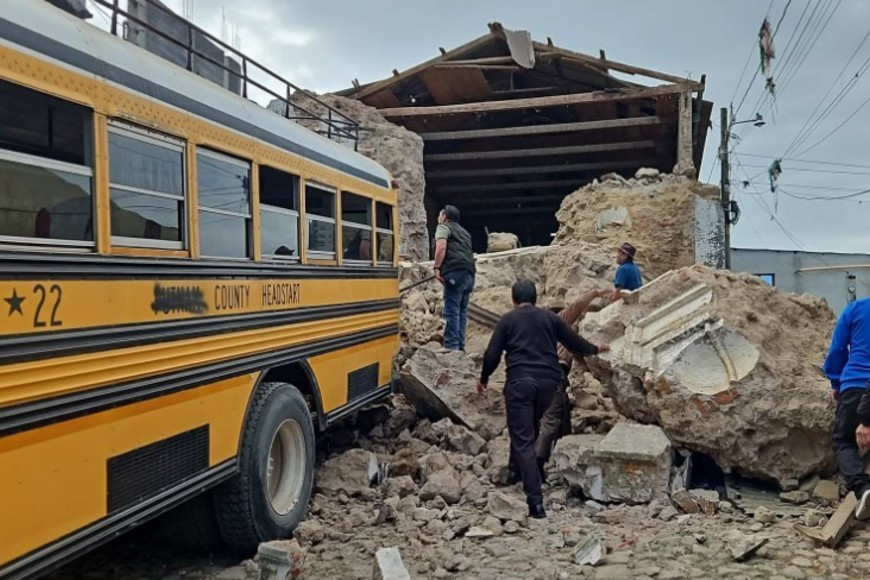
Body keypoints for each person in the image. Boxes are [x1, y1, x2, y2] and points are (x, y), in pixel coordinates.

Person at [478, 280, 609, 519]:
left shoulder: (508, 320)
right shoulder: (551, 319)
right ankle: (516, 472)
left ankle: (535, 502)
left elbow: (492, 354)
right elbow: (574, 342)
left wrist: (484, 378)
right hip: (549, 384)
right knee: (530, 429)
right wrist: (595, 349)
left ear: (513, 299)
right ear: (535, 298)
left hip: (520, 383)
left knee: (523, 438)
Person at [534, 289, 611, 476]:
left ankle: (564, 443)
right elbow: (578, 305)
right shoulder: (559, 321)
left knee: (562, 408)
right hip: (552, 373)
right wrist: (596, 293)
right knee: (550, 420)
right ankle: (537, 464)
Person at [824, 297, 870, 519]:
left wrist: (835, 382)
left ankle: (863, 489)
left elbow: (838, 349)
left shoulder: (856, 308)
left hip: (855, 385)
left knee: (844, 441)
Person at [432, 205, 475, 352]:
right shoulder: (465, 233)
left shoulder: (443, 227)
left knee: (451, 310)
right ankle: (460, 346)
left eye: (439, 215)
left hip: (455, 274)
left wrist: (437, 267)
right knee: (462, 311)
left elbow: (441, 247)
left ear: (444, 217)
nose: (438, 218)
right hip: (469, 275)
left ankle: (451, 345)